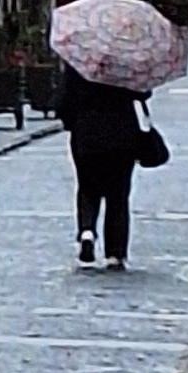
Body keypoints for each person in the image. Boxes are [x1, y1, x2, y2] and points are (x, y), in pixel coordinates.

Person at [59, 57, 147, 265]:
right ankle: (115, 252)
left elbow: (64, 101)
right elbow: (142, 93)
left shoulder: (79, 61)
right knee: (118, 193)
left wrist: (72, 122)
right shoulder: (125, 60)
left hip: (86, 133)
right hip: (122, 133)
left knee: (87, 186)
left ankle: (87, 230)